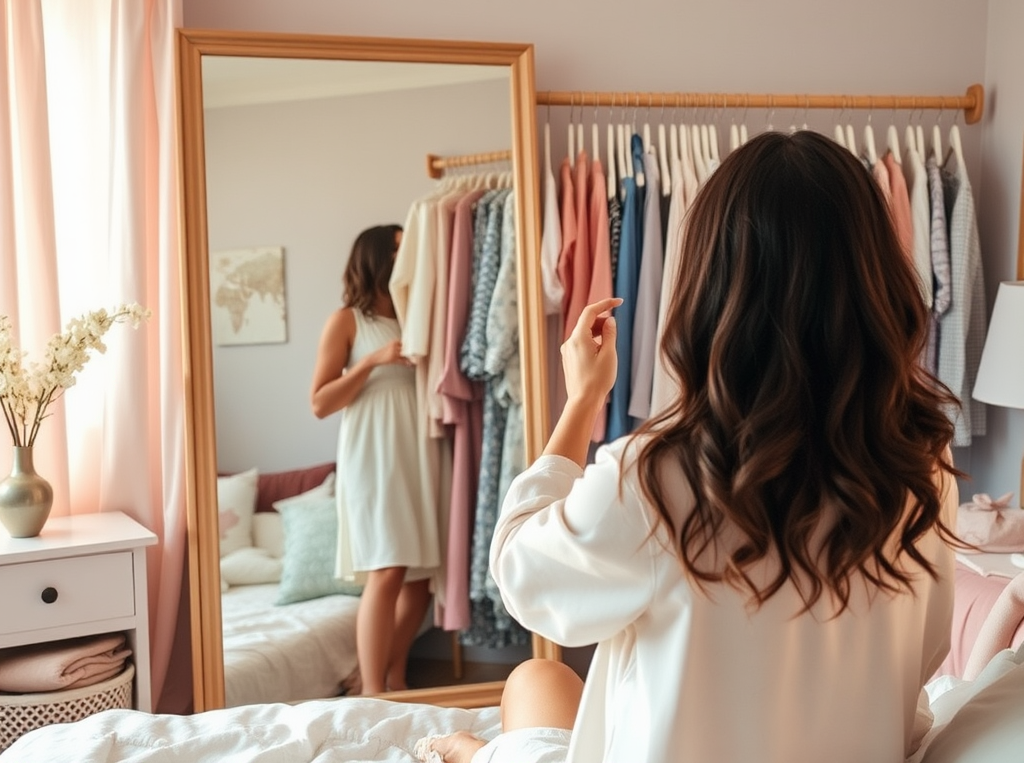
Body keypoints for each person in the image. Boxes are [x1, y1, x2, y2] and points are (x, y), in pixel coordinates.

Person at [421, 130, 961, 763]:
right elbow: (925, 656)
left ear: (712, 282)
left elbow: (522, 576)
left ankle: (465, 752)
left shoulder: (660, 475)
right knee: (540, 683)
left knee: (533, 680)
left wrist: (583, 401)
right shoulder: (923, 465)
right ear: (874, 279)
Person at [311, 224, 438, 696]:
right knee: (386, 570)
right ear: (378, 258)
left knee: (419, 579)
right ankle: (372, 693)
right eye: (402, 249)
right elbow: (320, 402)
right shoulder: (347, 320)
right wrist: (370, 361)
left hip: (417, 454)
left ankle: (393, 674)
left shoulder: (415, 316)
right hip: (372, 455)